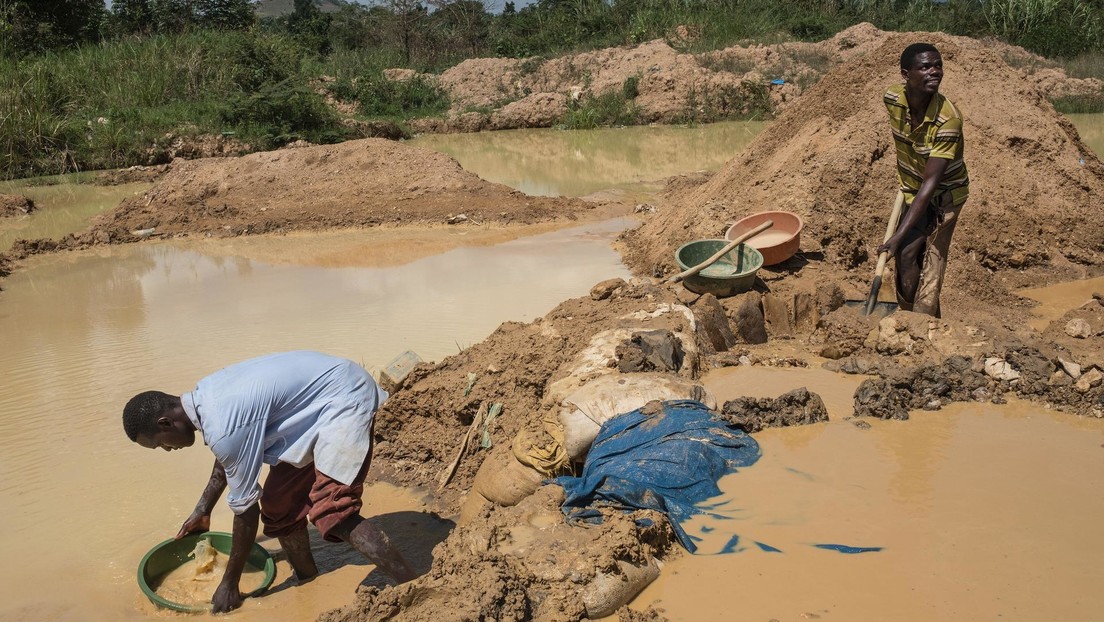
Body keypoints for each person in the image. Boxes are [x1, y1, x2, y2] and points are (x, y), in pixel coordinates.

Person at [122, 350, 416, 613]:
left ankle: (414, 587)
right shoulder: (206, 399)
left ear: (165, 424)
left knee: (332, 511)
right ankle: (309, 578)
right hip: (313, 412)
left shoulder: (222, 425)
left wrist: (229, 583)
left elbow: (245, 511)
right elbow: (228, 459)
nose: (167, 450)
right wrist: (203, 510)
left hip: (344, 398)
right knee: (279, 506)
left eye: (160, 444)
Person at [878, 42, 969, 317]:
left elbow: (931, 184)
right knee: (906, 257)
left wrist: (898, 234)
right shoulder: (892, 99)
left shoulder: (948, 120)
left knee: (932, 261)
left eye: (938, 65)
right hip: (913, 192)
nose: (935, 72)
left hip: (945, 197)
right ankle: (907, 319)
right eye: (926, 67)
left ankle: (926, 327)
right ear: (906, 74)